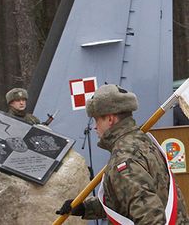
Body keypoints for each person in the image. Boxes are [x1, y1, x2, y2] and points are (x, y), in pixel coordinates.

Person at [56, 84, 189, 224]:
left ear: (110, 119)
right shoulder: (141, 141)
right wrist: (85, 208)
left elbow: (149, 217)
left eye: (97, 120)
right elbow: (126, 199)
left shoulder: (124, 158)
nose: (95, 126)